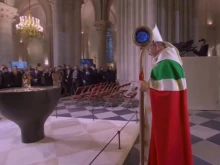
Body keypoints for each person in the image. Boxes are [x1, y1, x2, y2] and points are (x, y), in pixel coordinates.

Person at [140, 26, 193, 165]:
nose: (149, 54)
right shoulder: (171, 60)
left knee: (166, 141)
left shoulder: (165, 64)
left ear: (156, 45)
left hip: (167, 115)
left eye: (149, 50)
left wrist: (145, 86)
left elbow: (164, 94)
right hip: (173, 112)